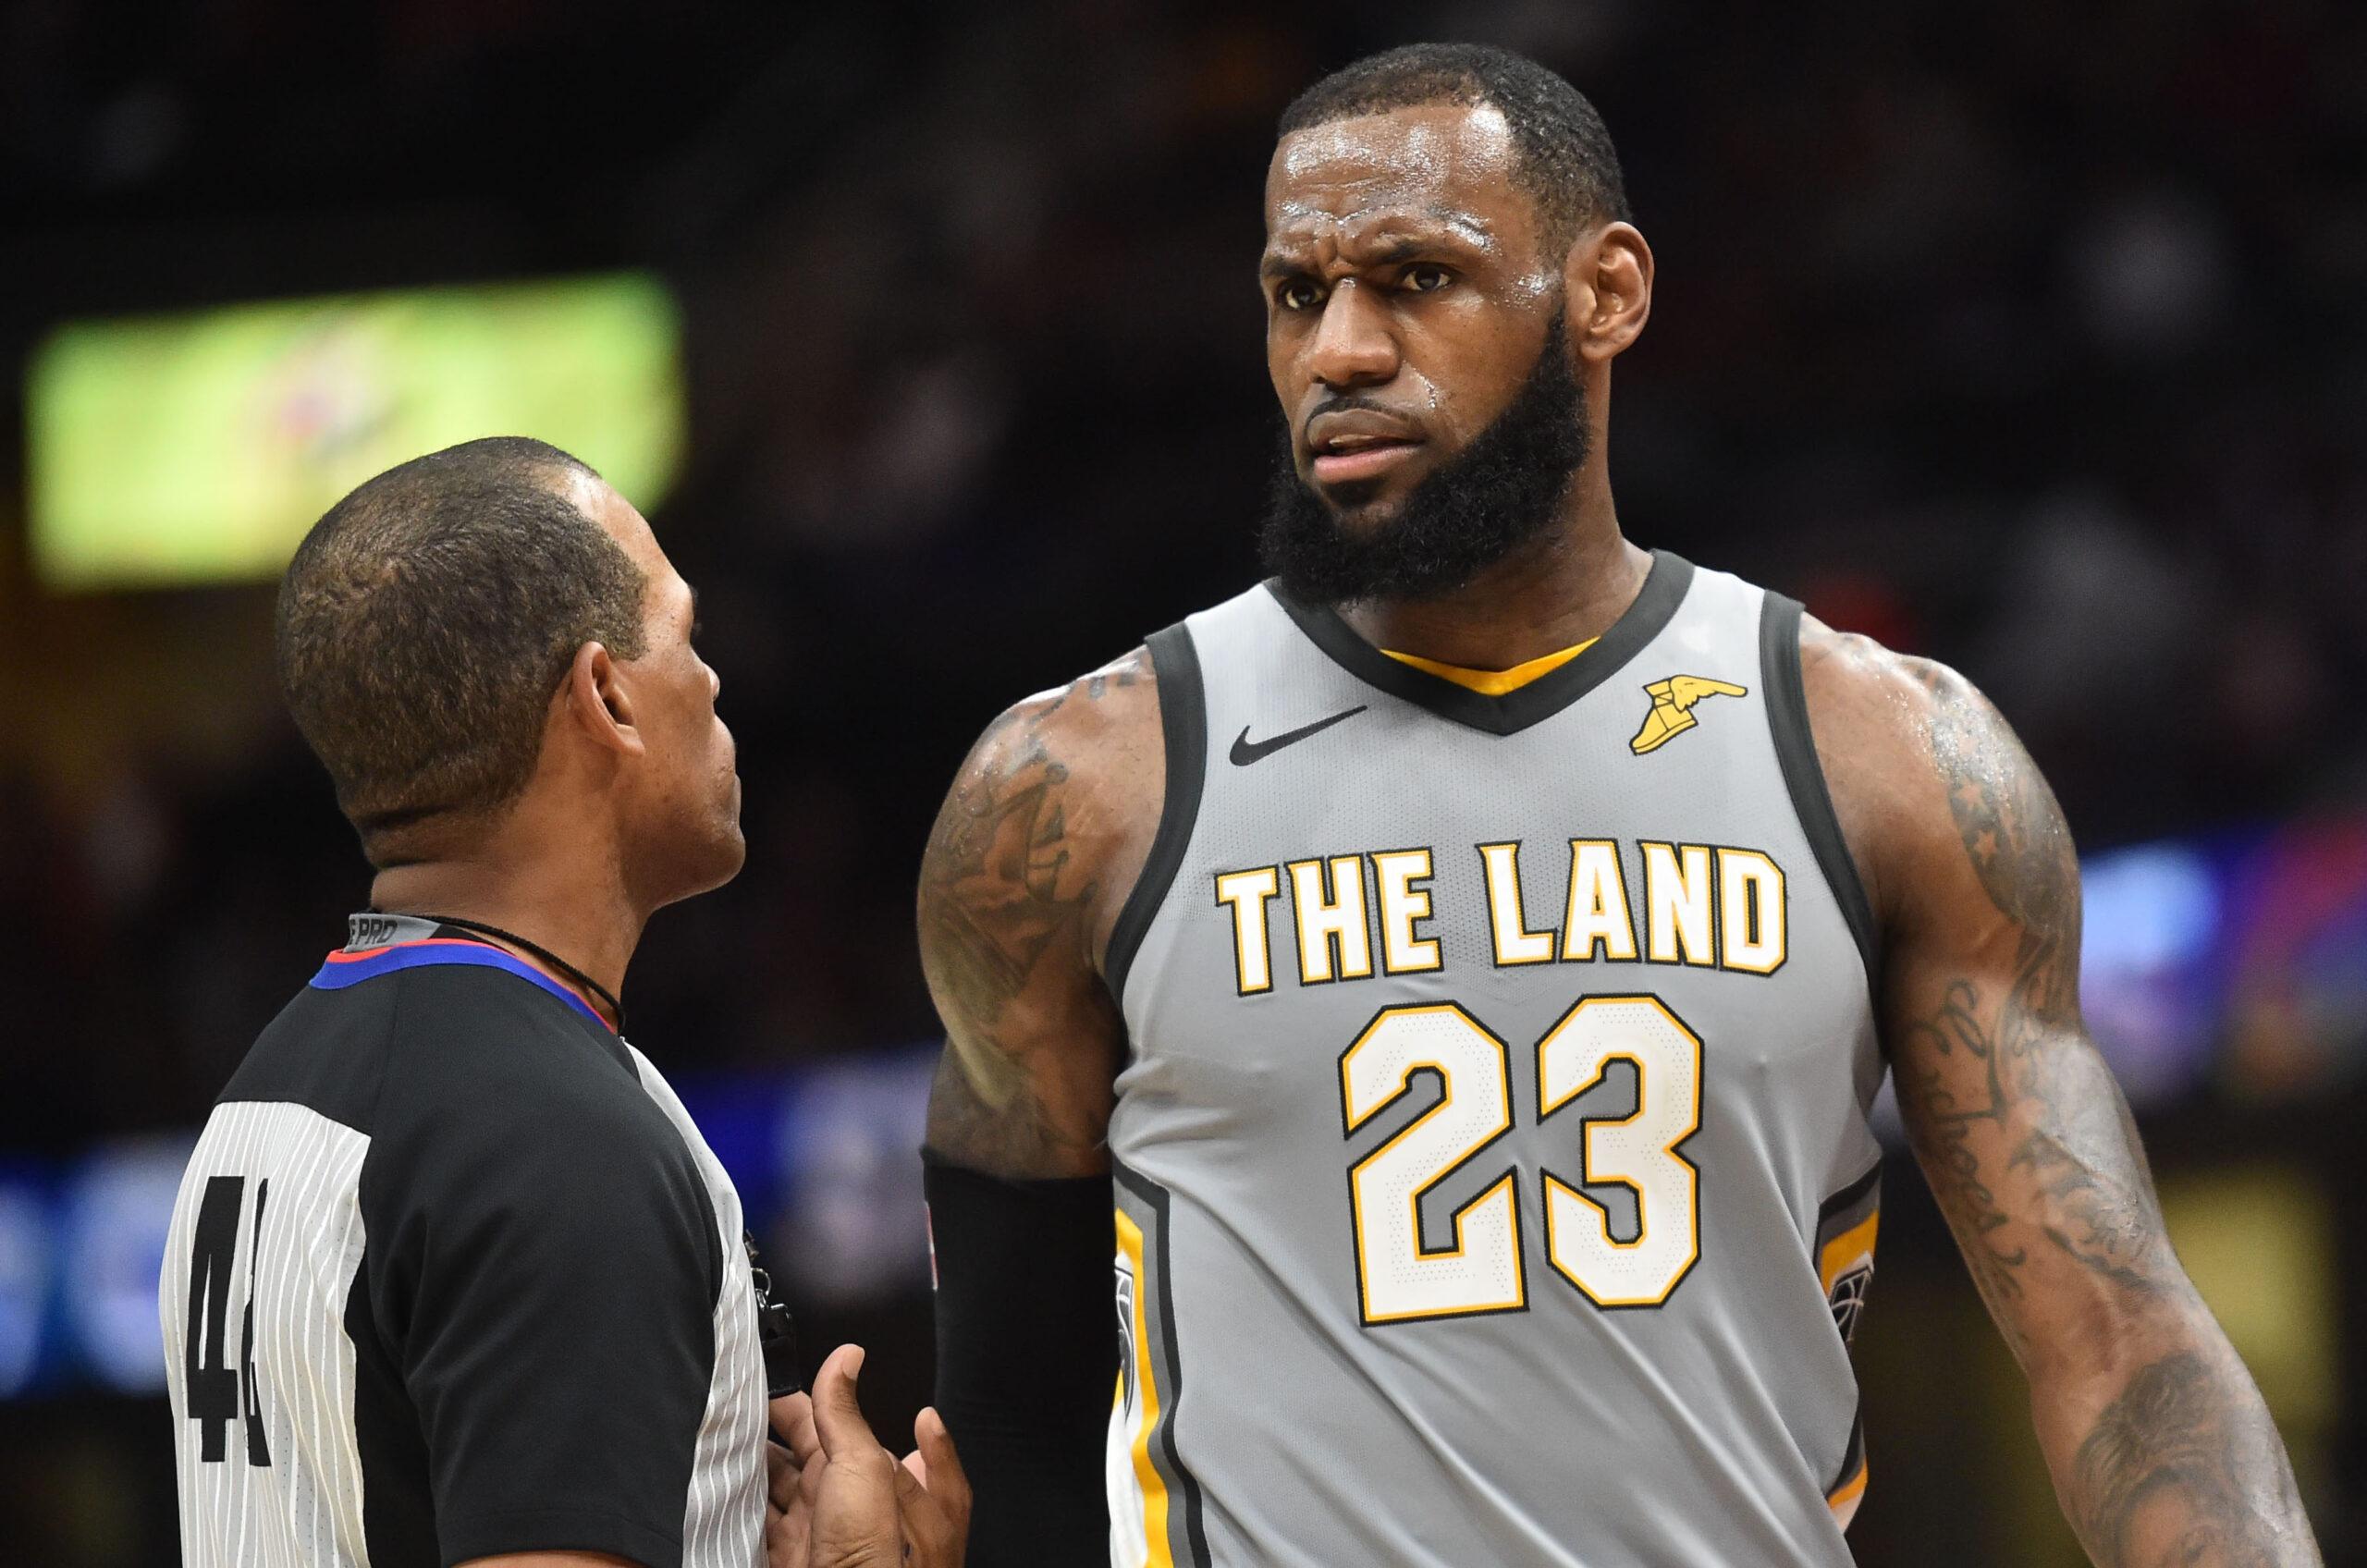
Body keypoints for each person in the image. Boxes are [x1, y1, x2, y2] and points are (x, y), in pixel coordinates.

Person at [916, 43, 2322, 1568]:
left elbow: (2120, 1349)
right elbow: (1006, 1425)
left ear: (1606, 293)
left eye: (1417, 278)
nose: (1340, 351)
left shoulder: (1882, 757)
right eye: (1297, 294)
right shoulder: (1078, 789)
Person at [159, 437, 966, 1568]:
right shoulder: (550, 1135)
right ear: (606, 696)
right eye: (684, 637)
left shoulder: (267, 1089)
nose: (711, 680)